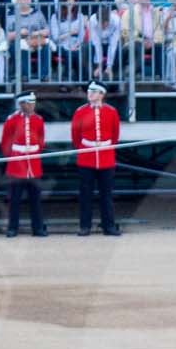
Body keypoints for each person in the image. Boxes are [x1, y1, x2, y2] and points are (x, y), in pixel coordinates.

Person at [71, 81, 121, 235]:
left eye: (93, 91)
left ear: (101, 94)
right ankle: (85, 226)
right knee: (85, 195)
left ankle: (109, 226)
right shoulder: (80, 112)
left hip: (106, 158)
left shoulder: (111, 111)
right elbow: (75, 136)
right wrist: (86, 149)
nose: (90, 94)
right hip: (87, 158)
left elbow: (115, 136)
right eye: (89, 91)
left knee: (106, 195)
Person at [0, 92, 47, 237]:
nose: (32, 105)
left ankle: (37, 228)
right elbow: (5, 142)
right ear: (21, 104)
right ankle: (12, 228)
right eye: (29, 103)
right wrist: (13, 158)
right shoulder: (12, 120)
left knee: (36, 200)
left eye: (33, 103)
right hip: (17, 164)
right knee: (14, 200)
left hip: (33, 163)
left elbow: (41, 140)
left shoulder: (38, 120)